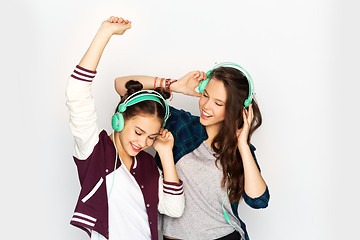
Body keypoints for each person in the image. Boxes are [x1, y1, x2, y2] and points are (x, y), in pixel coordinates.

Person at [114, 63, 270, 240]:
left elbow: (259, 201)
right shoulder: (180, 125)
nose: (206, 106)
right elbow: (121, 86)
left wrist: (242, 144)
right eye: (205, 95)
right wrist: (174, 85)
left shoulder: (240, 150)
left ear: (235, 110)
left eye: (218, 103)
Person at [66, 16, 184, 240]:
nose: (143, 143)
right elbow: (76, 93)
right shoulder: (95, 151)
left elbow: (174, 209)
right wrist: (105, 33)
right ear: (118, 120)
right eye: (138, 132)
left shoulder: (148, 164)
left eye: (151, 137)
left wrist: (166, 154)